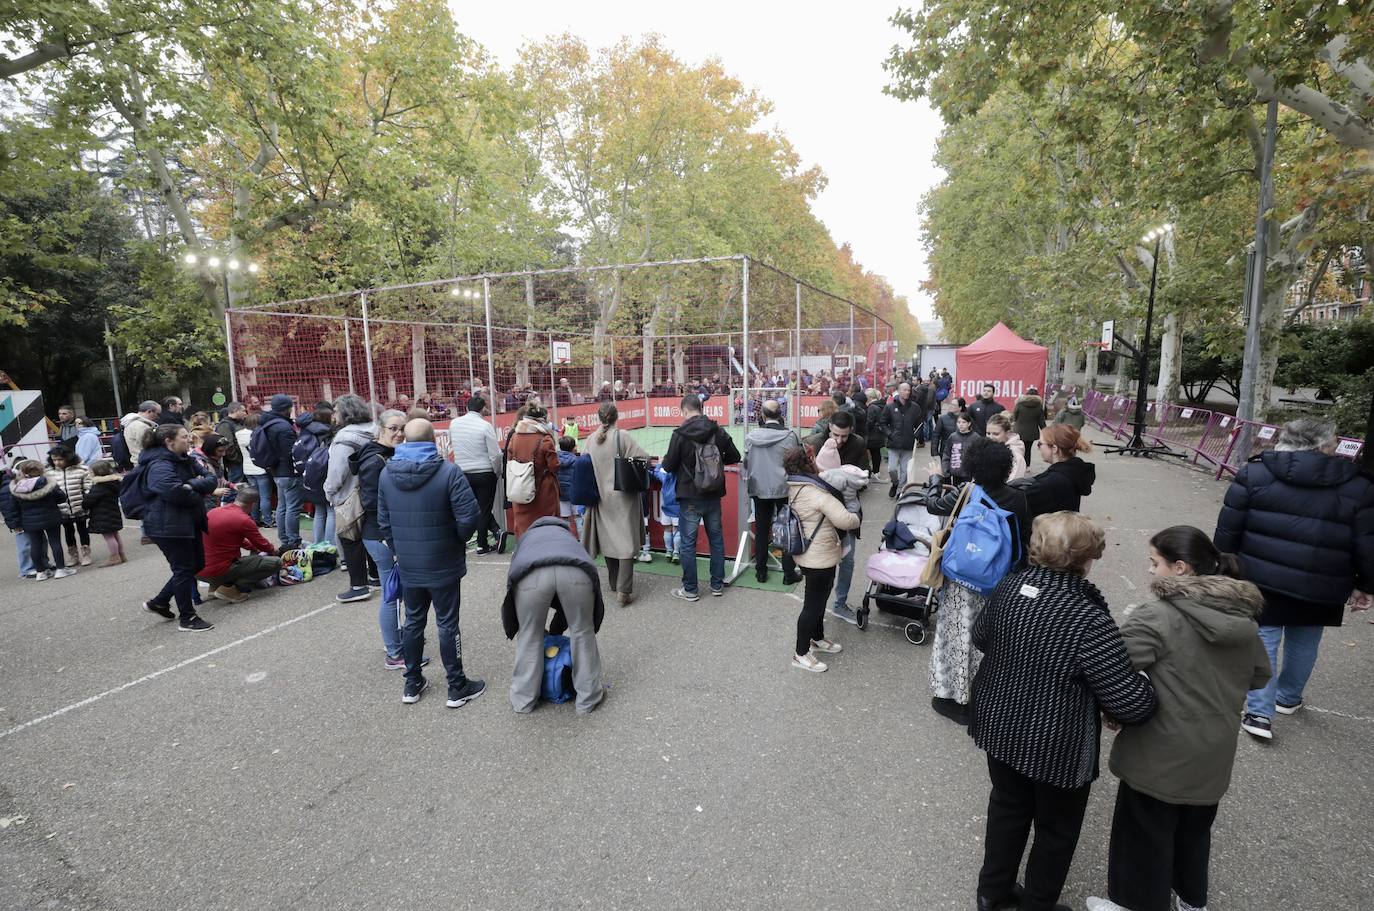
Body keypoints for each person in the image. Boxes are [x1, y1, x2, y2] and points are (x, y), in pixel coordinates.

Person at [970, 511, 1156, 911]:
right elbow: (1130, 702)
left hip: (999, 723)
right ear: (1086, 559)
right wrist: (1147, 687)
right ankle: (1036, 904)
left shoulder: (1010, 585)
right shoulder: (1087, 618)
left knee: (1007, 807)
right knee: (1055, 831)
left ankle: (993, 892)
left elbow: (981, 637)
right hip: (1056, 743)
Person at [1085, 527, 1272, 911]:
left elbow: (1113, 670)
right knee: (1193, 833)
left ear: (1181, 568)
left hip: (1160, 750)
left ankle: (1132, 903)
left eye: (1156, 563)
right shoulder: (1242, 616)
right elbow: (1258, 676)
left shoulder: (1158, 616)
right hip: (1214, 750)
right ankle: (1191, 901)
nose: (1151, 571)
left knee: (1142, 836)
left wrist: (1122, 706)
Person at [1212, 417, 1374, 741]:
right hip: (1325, 582)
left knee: (1265, 639)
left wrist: (1222, 569)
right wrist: (1366, 585)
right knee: (1306, 640)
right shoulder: (1359, 485)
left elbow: (1228, 529)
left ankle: (1259, 713)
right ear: (1327, 444)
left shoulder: (1255, 472)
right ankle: (1288, 697)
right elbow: (1367, 542)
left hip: (1262, 576)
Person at [378, 418, 484, 707]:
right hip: (443, 562)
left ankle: (412, 684)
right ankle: (456, 686)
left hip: (409, 564)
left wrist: (399, 548)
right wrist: (456, 540)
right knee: (447, 623)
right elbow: (469, 516)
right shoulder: (449, 473)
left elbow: (383, 521)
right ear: (434, 441)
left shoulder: (387, 474)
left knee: (413, 620)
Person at [923, 439, 1029, 724]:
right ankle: (984, 696)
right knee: (986, 639)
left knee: (955, 634)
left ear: (972, 466)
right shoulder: (1017, 499)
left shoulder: (967, 491)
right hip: (995, 581)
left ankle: (954, 696)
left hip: (959, 577)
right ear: (1006, 468)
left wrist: (935, 478)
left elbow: (932, 504)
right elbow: (1023, 542)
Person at [502, 516, 607, 713]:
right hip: (577, 574)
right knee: (582, 632)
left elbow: (513, 578)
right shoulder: (569, 539)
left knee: (529, 635)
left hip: (531, 576)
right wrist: (558, 628)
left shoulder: (526, 539)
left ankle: (523, 701)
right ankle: (588, 700)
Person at [140, 424, 229, 631]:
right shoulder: (158, 465)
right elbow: (175, 493)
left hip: (187, 521)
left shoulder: (185, 458)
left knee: (196, 565)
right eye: (183, 437)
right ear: (168, 442)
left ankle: (159, 602)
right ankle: (187, 618)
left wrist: (191, 485)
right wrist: (195, 488)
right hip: (167, 525)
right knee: (183, 569)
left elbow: (210, 479)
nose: (188, 439)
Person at [784, 446, 860, 672]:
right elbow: (845, 520)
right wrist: (857, 515)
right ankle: (800, 653)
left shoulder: (796, 486)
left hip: (811, 554)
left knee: (819, 599)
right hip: (819, 558)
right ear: (808, 464)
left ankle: (817, 638)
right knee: (812, 605)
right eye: (813, 459)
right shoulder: (815, 492)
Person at [357, 410, 423, 671]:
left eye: (402, 429)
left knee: (396, 594)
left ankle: (395, 642)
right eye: (393, 428)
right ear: (381, 430)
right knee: (392, 596)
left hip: (385, 535)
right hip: (382, 537)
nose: (398, 433)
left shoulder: (385, 456)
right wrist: (391, 539)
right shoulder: (375, 461)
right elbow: (373, 503)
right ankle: (395, 653)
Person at [661, 393, 742, 601]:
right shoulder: (718, 431)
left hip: (689, 495)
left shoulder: (680, 433)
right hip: (714, 493)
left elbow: (668, 466)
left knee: (688, 543)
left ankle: (690, 589)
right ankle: (717, 585)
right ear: (701, 408)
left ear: (684, 411)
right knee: (716, 538)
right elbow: (735, 456)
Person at [582, 402, 652, 605]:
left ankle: (613, 583)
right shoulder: (622, 436)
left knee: (609, 539)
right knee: (626, 543)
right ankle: (624, 589)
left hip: (601, 497)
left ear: (599, 418)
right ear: (616, 417)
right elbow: (643, 458)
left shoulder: (590, 439)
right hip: (623, 497)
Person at [745, 399, 803, 585]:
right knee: (787, 528)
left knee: (762, 529)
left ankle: (760, 571)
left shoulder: (751, 436)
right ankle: (788, 572)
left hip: (759, 487)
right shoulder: (790, 436)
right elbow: (797, 462)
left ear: (762, 415)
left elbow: (746, 462)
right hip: (783, 487)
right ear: (781, 415)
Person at [325, 394, 376, 603]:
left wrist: (329, 491)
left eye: (335, 410)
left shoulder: (345, 438)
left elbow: (337, 472)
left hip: (350, 495)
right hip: (372, 491)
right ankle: (376, 575)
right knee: (371, 534)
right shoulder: (376, 430)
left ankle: (358, 585)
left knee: (350, 538)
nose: (333, 415)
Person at [197, 487, 283, 602]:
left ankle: (215, 587)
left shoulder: (213, 512)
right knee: (276, 563)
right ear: (252, 505)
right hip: (219, 570)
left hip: (198, 570)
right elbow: (262, 545)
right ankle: (229, 588)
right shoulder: (244, 519)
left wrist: (252, 547)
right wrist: (275, 551)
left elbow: (233, 538)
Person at [450, 396, 503, 554]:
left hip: (463, 472)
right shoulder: (485, 426)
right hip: (484, 472)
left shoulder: (454, 423)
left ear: (466, 408)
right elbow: (494, 454)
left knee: (472, 508)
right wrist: (497, 471)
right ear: (483, 409)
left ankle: (495, 532)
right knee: (484, 508)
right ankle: (482, 543)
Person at [5, 459, 72, 580]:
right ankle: (61, 569)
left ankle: (40, 572)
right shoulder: (47, 483)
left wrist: (15, 523)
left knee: (35, 545)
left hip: (29, 521)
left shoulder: (17, 487)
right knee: (55, 542)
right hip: (51, 517)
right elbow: (61, 497)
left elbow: (13, 507)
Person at [504, 401, 562, 537]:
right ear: (542, 419)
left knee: (524, 526)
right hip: (543, 490)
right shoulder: (545, 439)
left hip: (520, 487)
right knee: (546, 526)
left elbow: (510, 459)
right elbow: (554, 466)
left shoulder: (515, 437)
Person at [1016, 424, 1096, 521]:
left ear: (1054, 449)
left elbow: (1017, 503)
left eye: (1040, 444)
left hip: (1050, 533)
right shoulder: (1072, 471)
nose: (1039, 448)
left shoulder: (1054, 480)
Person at [259, 394, 302, 549]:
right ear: (287, 409)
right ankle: (293, 540)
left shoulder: (268, 423)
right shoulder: (283, 427)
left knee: (282, 506)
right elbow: (290, 451)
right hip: (288, 471)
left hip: (276, 471)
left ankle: (284, 538)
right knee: (292, 507)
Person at [294, 402, 335, 550]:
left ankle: (318, 542)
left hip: (310, 474)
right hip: (324, 473)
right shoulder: (327, 432)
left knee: (319, 511)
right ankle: (330, 546)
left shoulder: (305, 431)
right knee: (331, 511)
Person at [46, 446, 92, 566]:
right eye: (54, 460)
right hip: (62, 508)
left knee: (82, 529)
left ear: (68, 458)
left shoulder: (81, 469)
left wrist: (86, 499)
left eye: (60, 459)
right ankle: (73, 555)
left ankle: (86, 553)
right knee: (68, 531)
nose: (57, 462)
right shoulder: (49, 472)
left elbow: (88, 485)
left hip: (79, 505)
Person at [880, 381, 924, 497]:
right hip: (893, 444)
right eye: (904, 389)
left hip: (908, 444)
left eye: (908, 390)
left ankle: (901, 491)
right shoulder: (890, 407)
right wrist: (890, 434)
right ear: (898, 391)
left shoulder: (915, 407)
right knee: (892, 469)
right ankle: (895, 483)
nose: (907, 392)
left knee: (905, 471)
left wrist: (916, 436)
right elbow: (883, 423)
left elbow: (920, 424)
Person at [83, 459, 126, 566]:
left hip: (102, 515)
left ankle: (114, 557)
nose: (90, 474)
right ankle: (121, 555)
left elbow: (88, 502)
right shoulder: (114, 484)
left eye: (91, 472)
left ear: (98, 473)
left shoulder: (98, 487)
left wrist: (85, 500)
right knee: (116, 535)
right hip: (113, 513)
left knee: (109, 537)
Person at [1, 455, 36, 578]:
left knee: (38, 543)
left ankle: (41, 563)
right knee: (25, 545)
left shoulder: (30, 482)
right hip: (19, 522)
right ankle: (26, 569)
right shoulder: (8, 487)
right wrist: (15, 525)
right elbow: (8, 508)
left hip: (31, 519)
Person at [236, 412, 273, 527]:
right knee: (264, 497)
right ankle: (268, 521)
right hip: (260, 469)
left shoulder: (239, 434)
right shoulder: (260, 434)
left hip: (247, 468)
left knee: (253, 496)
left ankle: (254, 519)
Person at [984, 412, 1027, 482]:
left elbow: (1014, 482)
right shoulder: (989, 447)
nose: (990, 437)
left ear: (1007, 433)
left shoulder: (1015, 455)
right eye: (988, 433)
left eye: (996, 434)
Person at [940, 411, 980, 484]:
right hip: (955, 473)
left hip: (970, 474)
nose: (961, 425)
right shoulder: (953, 437)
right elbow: (946, 454)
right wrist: (945, 470)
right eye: (959, 422)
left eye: (963, 422)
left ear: (969, 423)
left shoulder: (976, 437)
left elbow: (980, 456)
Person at [215, 402, 249, 483]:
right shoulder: (225, 425)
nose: (245, 413)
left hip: (242, 461)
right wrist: (237, 459)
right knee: (236, 487)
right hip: (235, 464)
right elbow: (228, 446)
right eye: (243, 411)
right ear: (235, 410)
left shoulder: (238, 423)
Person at [1012, 387, 1048, 466]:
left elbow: (1014, 417)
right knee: (1028, 449)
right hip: (1032, 433)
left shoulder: (1019, 404)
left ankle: (1018, 464)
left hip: (1019, 431)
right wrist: (1046, 432)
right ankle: (1027, 465)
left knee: (1019, 449)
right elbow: (1041, 421)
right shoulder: (1038, 406)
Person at [121, 400, 162, 466]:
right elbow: (149, 446)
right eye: (158, 414)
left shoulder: (130, 423)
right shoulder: (142, 426)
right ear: (149, 411)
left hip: (138, 461)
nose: (159, 417)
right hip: (146, 462)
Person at [555, 435, 580, 540]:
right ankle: (583, 543)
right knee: (578, 518)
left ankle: (567, 542)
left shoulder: (555, 460)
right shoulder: (577, 460)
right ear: (573, 447)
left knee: (564, 519)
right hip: (575, 494)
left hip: (561, 494)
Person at [864, 388, 885, 477]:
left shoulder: (872, 407)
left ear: (869, 397)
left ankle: (875, 471)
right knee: (876, 452)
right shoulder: (880, 405)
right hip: (879, 433)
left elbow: (870, 422)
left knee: (874, 453)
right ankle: (876, 471)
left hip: (873, 434)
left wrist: (866, 429)